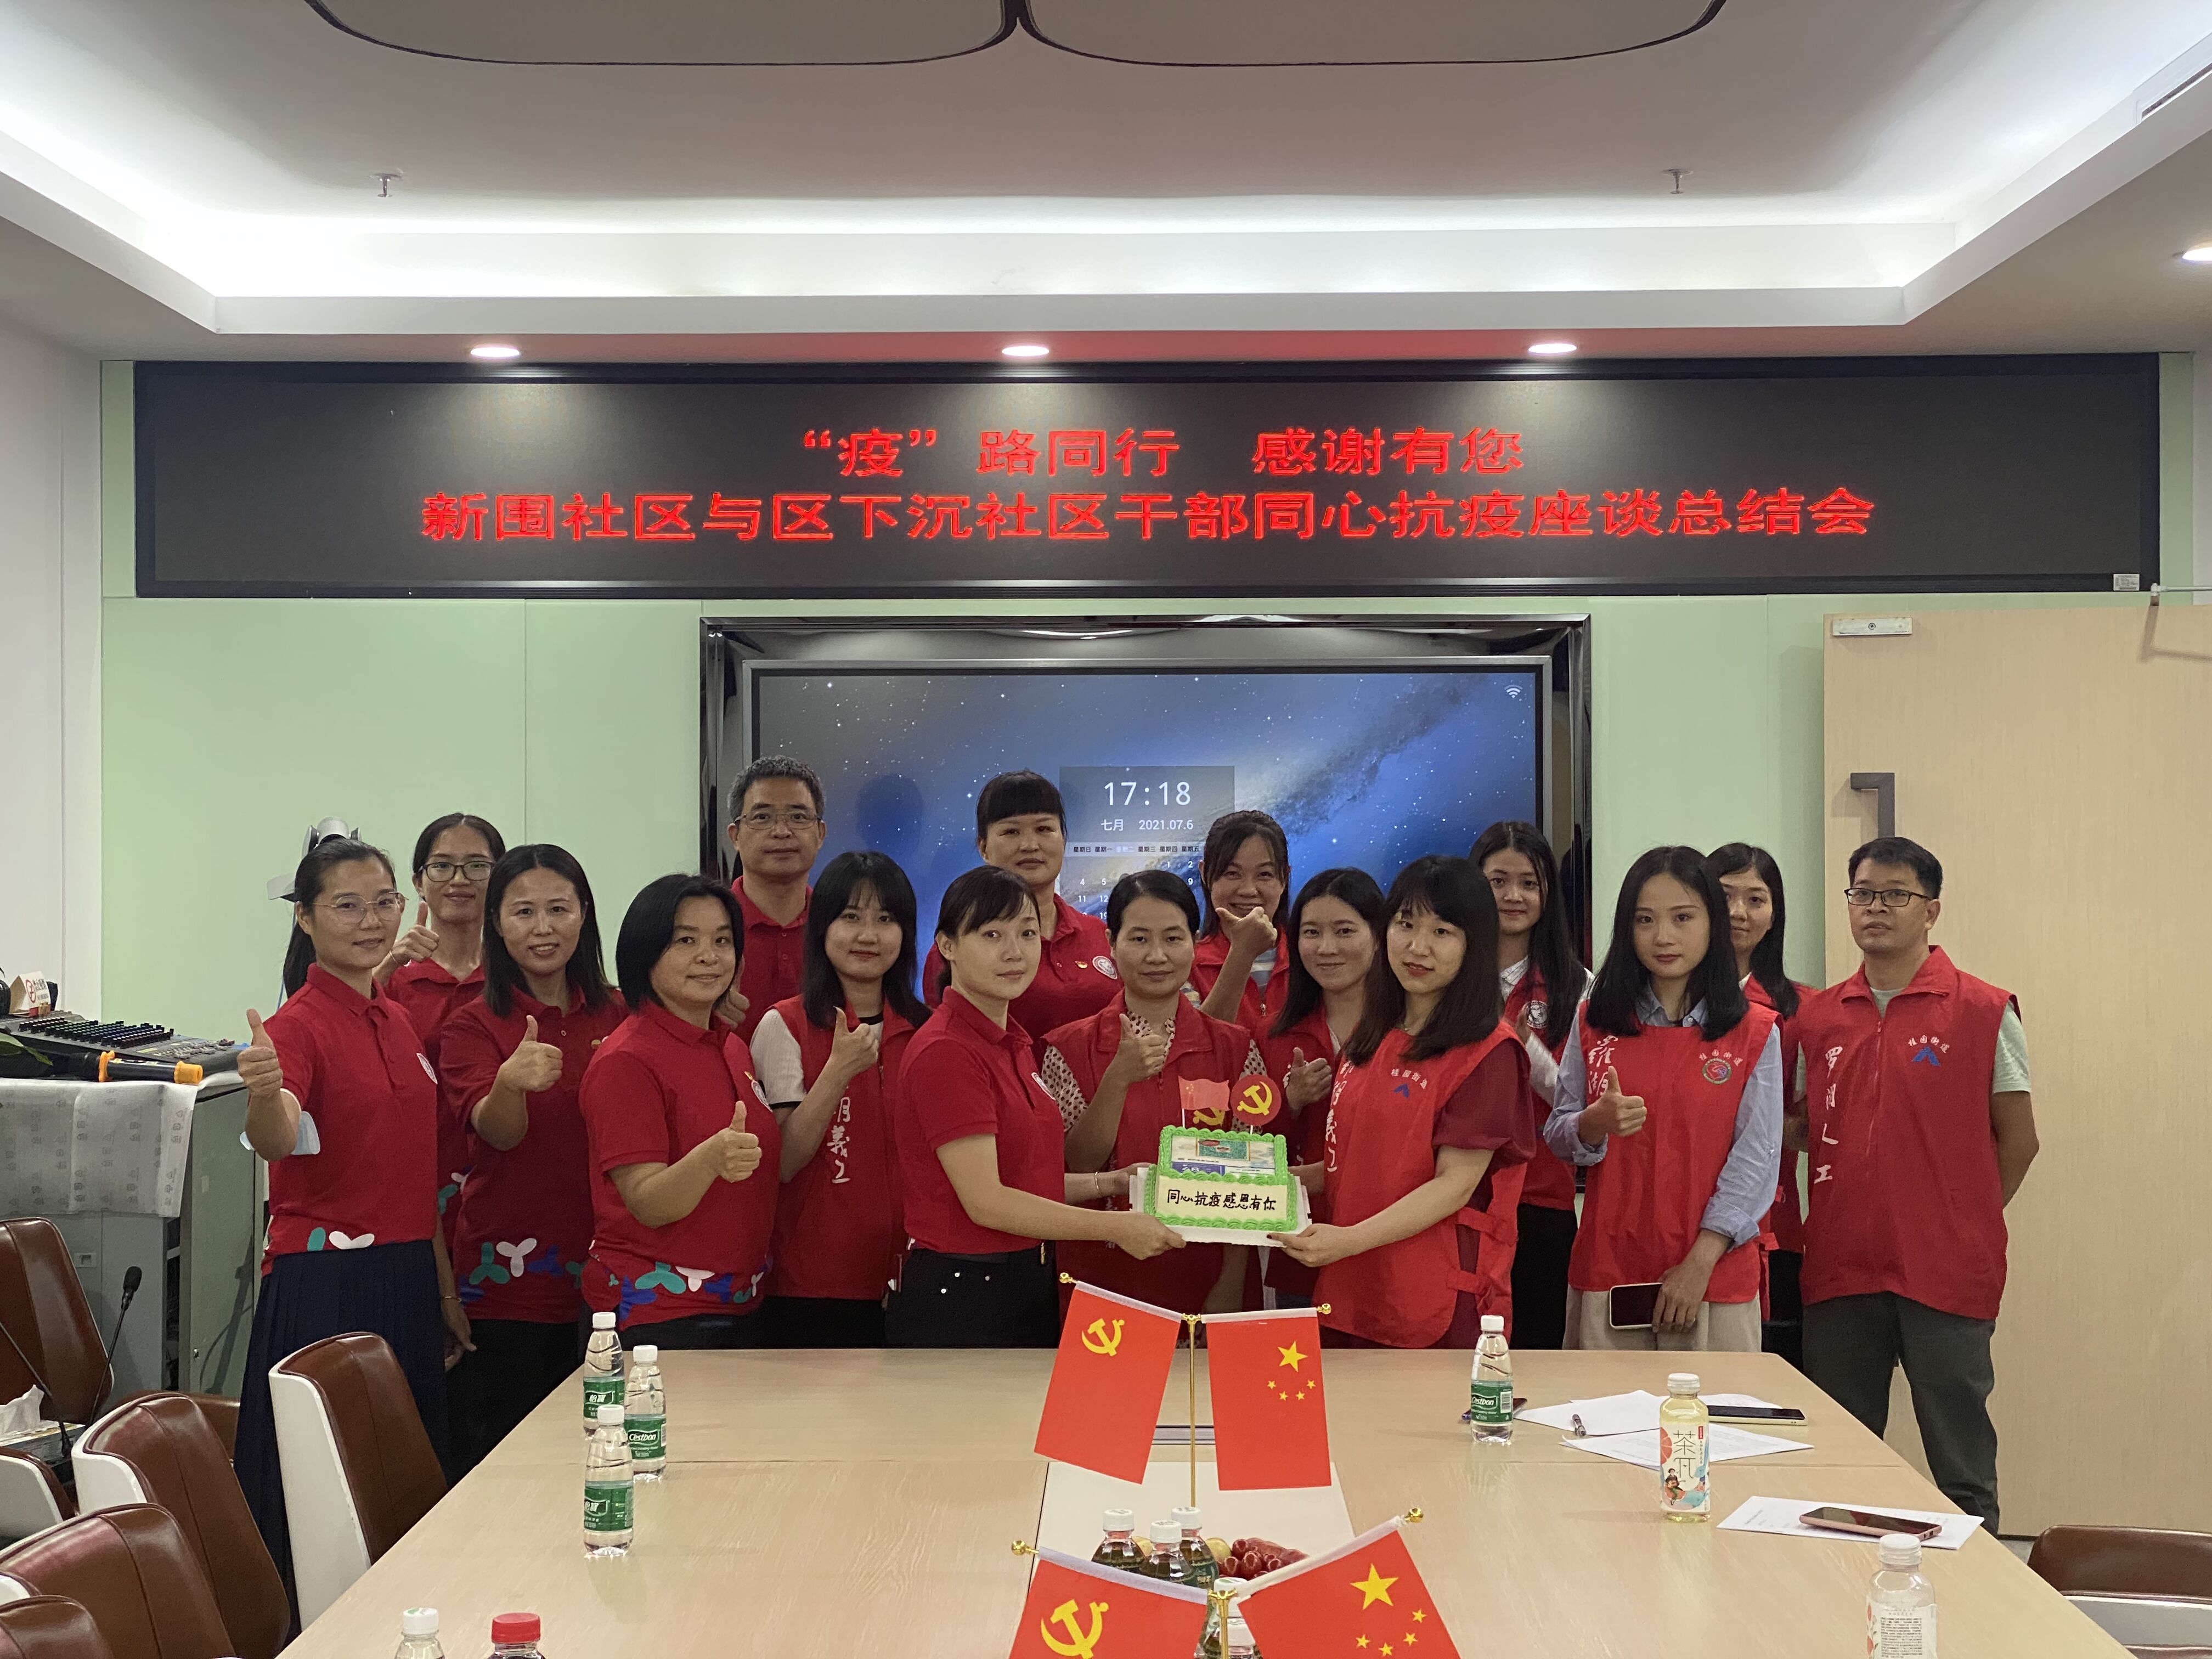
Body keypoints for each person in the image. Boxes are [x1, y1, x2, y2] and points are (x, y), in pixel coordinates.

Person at [234, 836, 466, 1600]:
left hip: (404, 1275)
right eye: (346, 906)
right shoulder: (297, 1026)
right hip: (327, 1285)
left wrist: (442, 1288)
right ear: (304, 918)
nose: (370, 921)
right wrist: (263, 1093)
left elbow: (416, 1173)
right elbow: (278, 1136)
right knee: (326, 1500)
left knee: (401, 1489)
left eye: (383, 902)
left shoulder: (393, 1018)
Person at [1794, 836, 2036, 1531]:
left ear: (1931, 910)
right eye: (1863, 893)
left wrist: (1962, 1216)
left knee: (1960, 1465)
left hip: (1946, 1270)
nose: (1876, 907)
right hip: (1840, 1268)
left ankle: (1978, 1591)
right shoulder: (1818, 1018)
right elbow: (1804, 1126)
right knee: (1838, 1462)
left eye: (1896, 894)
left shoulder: (1984, 1010)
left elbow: (2020, 1140)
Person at [888, 866, 1183, 1347]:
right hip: (964, 1292)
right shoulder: (947, 1050)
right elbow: (987, 1201)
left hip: (1022, 1280)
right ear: (947, 945)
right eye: (992, 935)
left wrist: (1110, 1183)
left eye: (1027, 933)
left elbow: (1024, 1181)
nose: (1015, 951)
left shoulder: (1012, 1043)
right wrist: (1114, 1226)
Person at [1270, 855, 1535, 1349]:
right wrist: (1258, 1185)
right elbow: (1357, 1164)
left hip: (1430, 1298)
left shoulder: (1489, 1051)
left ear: (1475, 944)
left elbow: (1454, 1185)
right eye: (1406, 924)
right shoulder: (1373, 1034)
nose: (1417, 947)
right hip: (1349, 1286)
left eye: (1442, 932)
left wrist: (1349, 1240)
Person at [1544, 847, 1783, 1352]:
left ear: (1713, 923)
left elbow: (1757, 1159)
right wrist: (1593, 1123)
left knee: (1714, 1407)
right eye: (1645, 920)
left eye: (1683, 918)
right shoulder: (1593, 1021)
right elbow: (1559, 1134)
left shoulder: (1755, 1031)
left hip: (1713, 1274)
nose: (1663, 937)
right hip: (1611, 1268)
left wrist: (1700, 1262)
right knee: (1602, 1406)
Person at [437, 844, 624, 1473]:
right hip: (508, 1292)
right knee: (509, 1473)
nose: (543, 928)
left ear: (584, 913)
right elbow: (499, 1133)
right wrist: (510, 1083)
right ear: (495, 921)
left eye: (558, 909)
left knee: (604, 1459)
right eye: (523, 912)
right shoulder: (472, 1026)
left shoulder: (623, 1014)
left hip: (611, 1281)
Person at [1041, 870, 1272, 1315]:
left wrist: (1230, 1281)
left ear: (1194, 943)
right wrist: (1117, 1078)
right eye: (1139, 939)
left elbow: (1252, 1181)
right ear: (1112, 944)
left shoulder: (1236, 1048)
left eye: (1172, 938)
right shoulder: (1067, 1048)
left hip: (1212, 1280)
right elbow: (1076, 1165)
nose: (1157, 956)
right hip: (1101, 1283)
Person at [578, 875, 780, 1346]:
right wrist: (710, 1159)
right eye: (686, 941)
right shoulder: (627, 1059)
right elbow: (646, 1202)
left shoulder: (731, 1045)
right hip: (656, 1315)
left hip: (742, 1304)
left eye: (722, 941)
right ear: (645, 952)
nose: (709, 956)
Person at [751, 851, 928, 1347]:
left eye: (886, 920)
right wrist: (837, 1072)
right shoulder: (784, 1025)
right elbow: (784, 1162)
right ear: (821, 929)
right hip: (813, 1285)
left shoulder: (929, 1031)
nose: (868, 935)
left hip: (918, 1278)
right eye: (850, 917)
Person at [1471, 820, 1591, 1352]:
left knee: (1538, 1357)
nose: (1513, 896)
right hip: (1455, 1195)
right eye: (1498, 881)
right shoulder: (1442, 973)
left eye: (1529, 883)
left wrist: (1525, 1050)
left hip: (1542, 1200)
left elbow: (1578, 1104)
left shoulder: (1578, 985)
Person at [1259, 868, 1387, 1306]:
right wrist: (1290, 1103)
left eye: (1345, 931)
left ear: (1379, 936)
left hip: (1384, 1239)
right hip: (1300, 1243)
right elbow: (1252, 1149)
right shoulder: (1273, 1035)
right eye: (1311, 932)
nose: (1327, 948)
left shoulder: (1407, 1035)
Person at [1705, 842, 1816, 1339]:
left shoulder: (1804, 1011)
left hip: (1773, 1224)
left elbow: (1810, 1130)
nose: (1738, 912)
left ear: (1775, 916)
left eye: (1755, 899)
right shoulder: (1660, 1005)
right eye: (1725, 895)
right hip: (1667, 1218)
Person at [377, 812, 507, 1237]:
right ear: (418, 882)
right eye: (442, 866)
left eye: (477, 865)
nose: (459, 879)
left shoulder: (518, 979)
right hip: (412, 1175)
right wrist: (389, 964)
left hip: (505, 1176)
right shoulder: (394, 980)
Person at [921, 771, 1116, 1036]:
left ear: (1064, 839)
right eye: (1011, 832)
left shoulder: (1100, 934)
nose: (1030, 845)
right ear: (984, 847)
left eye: (1044, 829)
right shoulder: (959, 947)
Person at [724, 756, 830, 1045]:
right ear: (735, 836)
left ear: (820, 834)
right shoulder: (703, 930)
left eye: (798, 817)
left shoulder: (839, 926)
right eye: (762, 817)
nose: (782, 832)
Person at [1189, 810, 1292, 1032]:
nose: (1248, 890)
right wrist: (1242, 953)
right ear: (1205, 874)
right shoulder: (1185, 965)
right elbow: (1197, 1045)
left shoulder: (1311, 958)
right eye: (1232, 873)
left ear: (1284, 877)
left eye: (1264, 874)